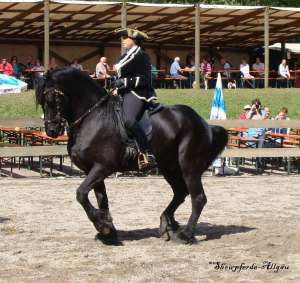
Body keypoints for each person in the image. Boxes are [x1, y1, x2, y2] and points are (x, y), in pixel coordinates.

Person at [113, 27, 156, 169]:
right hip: (122, 92)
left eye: (125, 38)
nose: (123, 41)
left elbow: (145, 79)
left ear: (134, 40)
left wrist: (124, 82)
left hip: (138, 93)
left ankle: (146, 152)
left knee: (129, 120)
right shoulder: (124, 56)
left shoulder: (141, 55)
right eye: (122, 38)